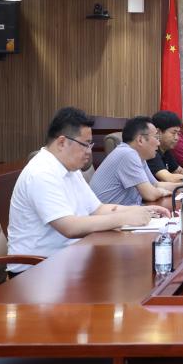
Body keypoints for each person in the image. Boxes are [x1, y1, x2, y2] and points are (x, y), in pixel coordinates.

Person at [8, 107, 166, 274]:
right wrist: (124, 218)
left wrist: (141, 210)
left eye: (90, 145)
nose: (89, 152)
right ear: (62, 142)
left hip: (69, 258)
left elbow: (98, 209)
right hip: (36, 270)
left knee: (133, 268)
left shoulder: (70, 169)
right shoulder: (41, 173)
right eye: (85, 145)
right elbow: (69, 227)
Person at [90, 116, 183, 205]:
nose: (158, 143)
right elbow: (150, 194)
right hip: (108, 214)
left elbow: (155, 185)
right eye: (156, 137)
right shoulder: (127, 154)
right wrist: (161, 192)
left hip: (123, 211)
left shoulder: (138, 156)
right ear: (140, 140)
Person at [149, 110, 183, 184]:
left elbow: (179, 171)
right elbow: (169, 178)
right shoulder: (151, 152)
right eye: (173, 133)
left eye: (178, 133)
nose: (177, 138)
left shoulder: (166, 150)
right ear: (158, 132)